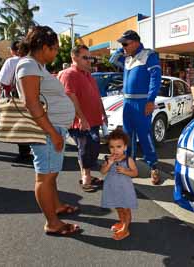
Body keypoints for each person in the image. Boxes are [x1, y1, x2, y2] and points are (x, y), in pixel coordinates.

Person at [16, 25, 79, 236]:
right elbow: (31, 103)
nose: (55, 52)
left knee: (51, 175)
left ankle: (57, 206)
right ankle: (52, 222)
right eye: (54, 48)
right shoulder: (28, 65)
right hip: (47, 131)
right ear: (44, 47)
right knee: (44, 178)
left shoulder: (37, 66)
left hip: (53, 128)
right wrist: (52, 132)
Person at [109, 30, 162, 185]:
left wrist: (151, 100)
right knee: (127, 136)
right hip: (127, 103)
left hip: (142, 103)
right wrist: (122, 49)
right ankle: (128, 165)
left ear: (136, 42)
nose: (123, 47)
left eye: (125, 43)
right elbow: (113, 60)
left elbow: (155, 78)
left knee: (144, 136)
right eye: (122, 44)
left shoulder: (149, 55)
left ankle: (153, 166)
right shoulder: (126, 58)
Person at [58, 45, 107, 192]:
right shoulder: (69, 74)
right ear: (74, 57)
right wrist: (82, 118)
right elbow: (70, 97)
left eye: (89, 57)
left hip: (94, 119)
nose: (89, 61)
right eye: (85, 57)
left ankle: (88, 174)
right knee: (85, 148)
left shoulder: (88, 75)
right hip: (80, 122)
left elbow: (97, 96)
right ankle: (86, 177)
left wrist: (103, 113)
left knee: (94, 146)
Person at [0, 40, 32, 163]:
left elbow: (3, 81)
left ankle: (24, 153)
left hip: (16, 96)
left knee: (18, 125)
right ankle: (29, 150)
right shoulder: (33, 61)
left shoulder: (11, 61)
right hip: (32, 96)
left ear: (13, 51)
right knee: (29, 124)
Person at [100, 128, 138, 240]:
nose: (115, 150)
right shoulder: (108, 159)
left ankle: (125, 229)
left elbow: (135, 173)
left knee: (126, 209)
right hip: (112, 188)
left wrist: (125, 171)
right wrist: (108, 164)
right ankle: (122, 222)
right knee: (118, 207)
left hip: (125, 189)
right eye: (112, 147)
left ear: (125, 147)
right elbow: (102, 172)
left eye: (118, 147)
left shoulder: (128, 160)